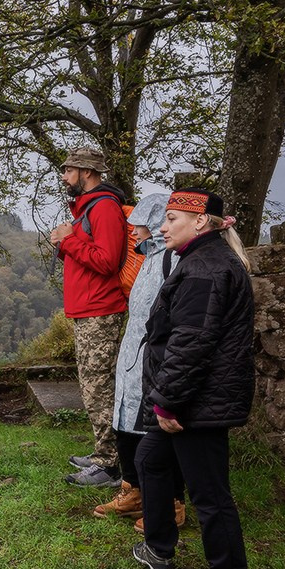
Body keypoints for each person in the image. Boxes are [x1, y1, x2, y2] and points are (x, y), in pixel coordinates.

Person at [130, 189, 255, 569]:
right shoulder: (202, 262)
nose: (163, 227)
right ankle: (159, 549)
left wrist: (166, 404)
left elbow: (191, 344)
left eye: (171, 219)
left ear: (200, 222)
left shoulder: (205, 269)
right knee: (151, 459)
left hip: (196, 404)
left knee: (210, 496)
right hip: (193, 398)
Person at [92, 193, 187, 527]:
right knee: (127, 423)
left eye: (141, 225)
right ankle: (134, 492)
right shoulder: (150, 258)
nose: (133, 232)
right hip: (134, 354)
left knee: (154, 430)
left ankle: (172, 503)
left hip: (153, 358)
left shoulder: (171, 261)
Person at [48, 147, 128, 488]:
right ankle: (103, 453)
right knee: (93, 385)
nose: (64, 177)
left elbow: (108, 260)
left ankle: (110, 466)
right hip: (89, 309)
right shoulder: (87, 209)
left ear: (87, 172)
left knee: (100, 386)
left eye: (69, 171)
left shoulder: (104, 208)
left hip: (102, 310)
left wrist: (68, 243)